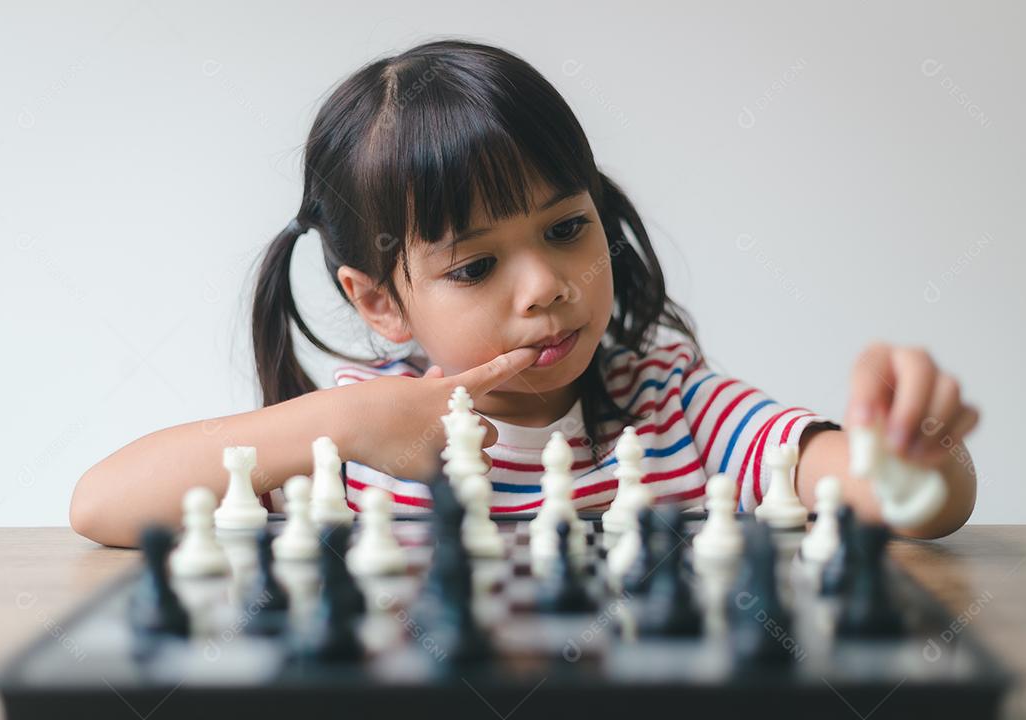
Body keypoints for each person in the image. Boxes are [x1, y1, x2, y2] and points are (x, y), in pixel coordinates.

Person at [70, 40, 978, 548]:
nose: (546, 286)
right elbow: (101, 505)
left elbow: (908, 503)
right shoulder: (354, 437)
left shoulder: (670, 401)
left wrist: (918, 449)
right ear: (380, 302)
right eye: (475, 266)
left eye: (566, 228)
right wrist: (338, 425)